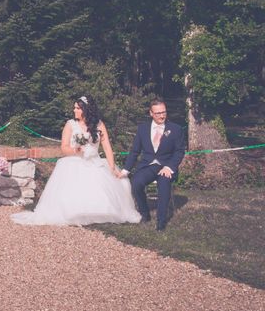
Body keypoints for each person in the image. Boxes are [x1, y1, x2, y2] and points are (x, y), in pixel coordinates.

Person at [11, 95, 141, 226]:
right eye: (75, 108)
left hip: (95, 161)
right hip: (74, 160)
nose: (75, 110)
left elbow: (107, 147)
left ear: (86, 110)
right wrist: (76, 151)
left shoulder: (99, 125)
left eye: (78, 108)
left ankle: (99, 212)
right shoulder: (70, 124)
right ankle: (74, 212)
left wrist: (112, 167)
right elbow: (64, 147)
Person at [119, 99, 185, 231]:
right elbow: (135, 151)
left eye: (164, 112)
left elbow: (179, 152)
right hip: (148, 166)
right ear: (151, 113)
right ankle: (145, 214)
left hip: (166, 166)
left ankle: (161, 222)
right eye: (158, 113)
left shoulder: (176, 129)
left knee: (164, 184)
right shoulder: (143, 129)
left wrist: (169, 167)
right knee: (136, 183)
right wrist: (126, 169)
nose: (162, 116)